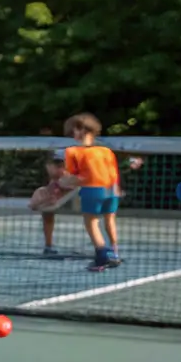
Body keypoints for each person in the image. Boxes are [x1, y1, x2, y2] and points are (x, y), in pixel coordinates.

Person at [60, 112, 122, 271]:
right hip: (112, 189)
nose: (72, 134)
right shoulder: (106, 150)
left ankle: (102, 255)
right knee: (110, 220)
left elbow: (76, 176)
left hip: (92, 189)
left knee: (91, 222)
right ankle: (115, 252)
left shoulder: (72, 151)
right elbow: (113, 173)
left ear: (81, 130)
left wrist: (63, 182)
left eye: (74, 130)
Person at [27, 149, 77, 257]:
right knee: (45, 206)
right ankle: (48, 246)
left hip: (77, 199)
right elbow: (32, 205)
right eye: (57, 166)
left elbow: (72, 184)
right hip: (55, 200)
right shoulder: (45, 190)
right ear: (48, 166)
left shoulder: (70, 179)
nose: (60, 169)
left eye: (62, 166)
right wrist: (45, 200)